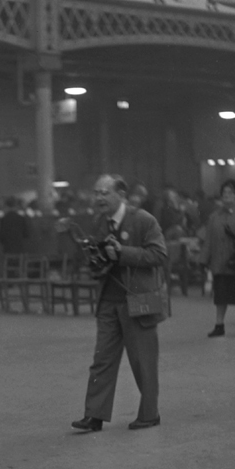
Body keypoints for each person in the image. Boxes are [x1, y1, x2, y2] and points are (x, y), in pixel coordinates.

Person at [71, 174, 168, 433]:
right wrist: (95, 260)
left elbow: (159, 254)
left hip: (139, 301)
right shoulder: (98, 222)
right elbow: (101, 260)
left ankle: (150, 414)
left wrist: (123, 252)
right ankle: (94, 416)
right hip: (108, 302)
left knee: (142, 360)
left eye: (105, 193)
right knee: (102, 359)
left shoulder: (144, 220)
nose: (99, 198)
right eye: (96, 193)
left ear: (121, 194)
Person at [200, 179, 235, 338]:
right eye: (224, 193)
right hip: (219, 262)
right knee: (220, 297)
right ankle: (219, 325)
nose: (227, 196)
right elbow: (208, 240)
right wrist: (203, 260)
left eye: (230, 193)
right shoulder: (214, 217)